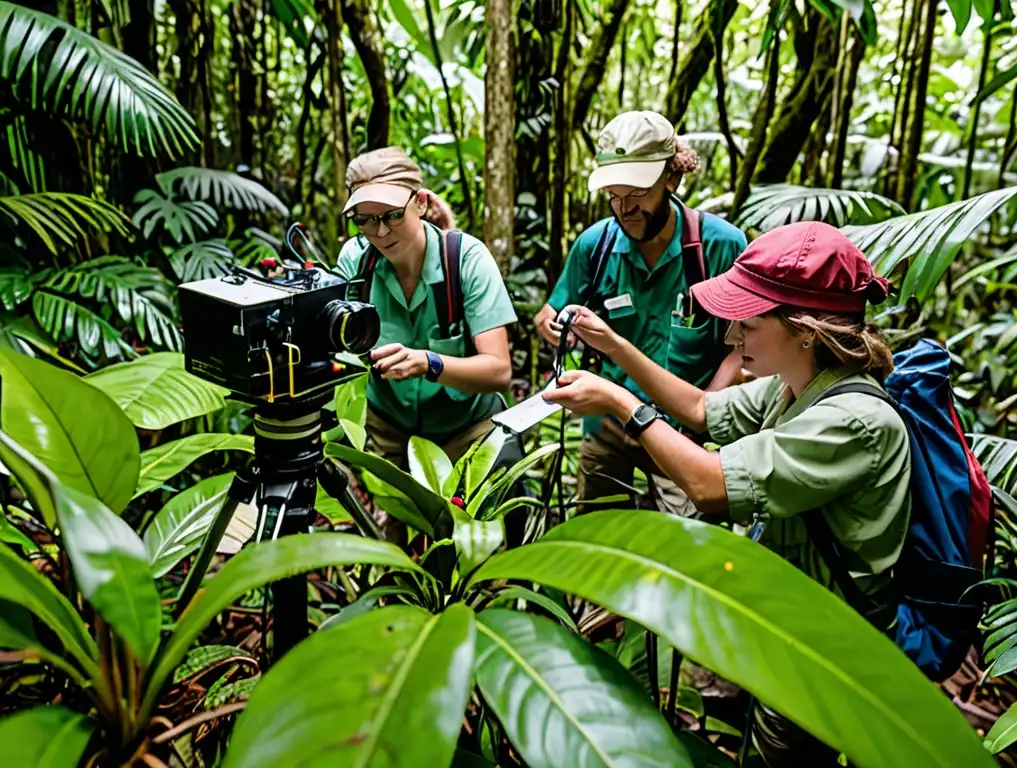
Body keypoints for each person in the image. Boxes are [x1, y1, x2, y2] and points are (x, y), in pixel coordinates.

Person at [543, 221, 911, 767]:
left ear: (805, 329)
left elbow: (708, 484)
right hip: (784, 626)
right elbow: (697, 409)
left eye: (749, 324)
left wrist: (624, 405)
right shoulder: (793, 385)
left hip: (826, 649)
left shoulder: (854, 420)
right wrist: (615, 348)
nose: (732, 337)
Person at [533, 110, 747, 517]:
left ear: (671, 177)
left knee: (689, 544)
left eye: (636, 191)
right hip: (606, 420)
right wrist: (559, 327)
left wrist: (708, 409)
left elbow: (744, 343)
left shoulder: (719, 246)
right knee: (595, 537)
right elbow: (547, 315)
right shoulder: (594, 246)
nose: (624, 206)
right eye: (614, 193)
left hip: (683, 428)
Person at [335, 146, 518, 478]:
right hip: (389, 430)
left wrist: (429, 363)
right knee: (394, 526)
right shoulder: (356, 262)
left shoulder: (465, 260)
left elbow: (498, 371)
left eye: (392, 215)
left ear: (420, 202)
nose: (380, 232)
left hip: (466, 429)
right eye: (364, 220)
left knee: (472, 526)